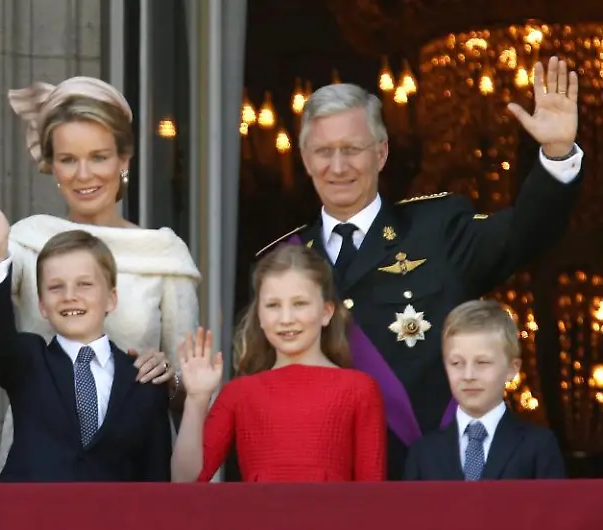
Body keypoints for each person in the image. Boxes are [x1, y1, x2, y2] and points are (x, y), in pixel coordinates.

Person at [256, 56, 583, 479]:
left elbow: (524, 234)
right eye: (323, 152)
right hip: (325, 487)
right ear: (304, 158)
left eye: (352, 150)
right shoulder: (283, 260)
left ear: (382, 152)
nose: (337, 167)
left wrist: (556, 155)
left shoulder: (437, 230)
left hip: (434, 481)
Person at [0, 76, 199, 475]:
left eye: (99, 157)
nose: (84, 174)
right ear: (51, 165)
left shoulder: (164, 253)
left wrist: (169, 378)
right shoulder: (31, 239)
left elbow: (191, 393)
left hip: (126, 475)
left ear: (124, 160)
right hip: (37, 466)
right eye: (68, 159)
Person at [0, 185, 172, 481]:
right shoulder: (29, 362)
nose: (70, 296)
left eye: (85, 284)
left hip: (115, 524)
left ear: (111, 298)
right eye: (56, 287)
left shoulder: (143, 380)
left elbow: (155, 477)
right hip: (31, 521)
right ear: (43, 305)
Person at [171, 244, 385, 482]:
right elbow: (185, 482)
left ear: (326, 312)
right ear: (259, 315)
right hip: (257, 519)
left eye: (299, 304)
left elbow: (372, 495)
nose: (286, 319)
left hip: (333, 519)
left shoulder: (359, 389)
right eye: (273, 305)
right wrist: (197, 400)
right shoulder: (240, 393)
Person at [403, 299, 565, 480]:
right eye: (457, 363)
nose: (469, 375)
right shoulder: (424, 454)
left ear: (512, 369)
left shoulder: (538, 447)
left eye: (482, 363)